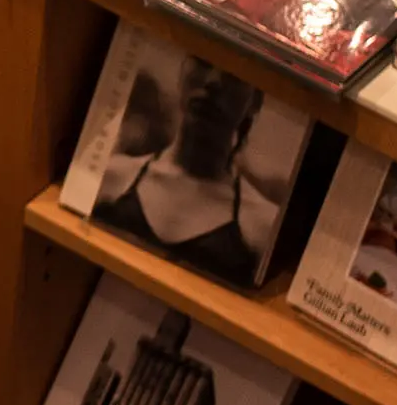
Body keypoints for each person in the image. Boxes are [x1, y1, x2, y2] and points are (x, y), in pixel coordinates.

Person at [91, 53, 284, 283]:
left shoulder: (261, 226)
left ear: (255, 101)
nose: (213, 81)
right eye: (203, 61)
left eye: (235, 74)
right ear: (183, 71)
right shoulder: (112, 178)